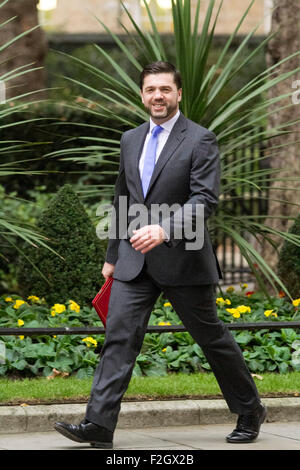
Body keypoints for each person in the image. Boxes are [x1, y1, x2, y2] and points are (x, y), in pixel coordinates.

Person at [54, 61, 266, 448]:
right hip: (134, 262)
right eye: (151, 89)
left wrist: (165, 228)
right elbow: (123, 197)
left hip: (184, 259)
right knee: (119, 336)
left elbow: (205, 200)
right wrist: (113, 252)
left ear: (178, 94)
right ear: (142, 94)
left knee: (211, 338)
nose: (158, 96)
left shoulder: (201, 139)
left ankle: (250, 409)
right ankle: (99, 425)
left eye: (165, 89)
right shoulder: (130, 139)